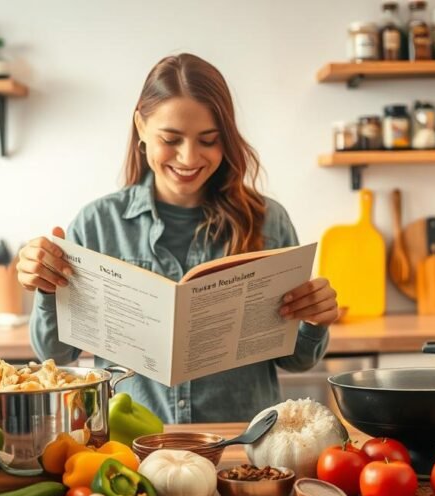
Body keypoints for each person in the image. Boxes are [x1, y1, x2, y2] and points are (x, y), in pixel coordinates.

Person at [19, 53, 339, 423]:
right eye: (171, 139)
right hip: (132, 448)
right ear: (141, 125)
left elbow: (297, 361)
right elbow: (55, 357)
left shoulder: (268, 221)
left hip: (241, 444)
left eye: (208, 140)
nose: (188, 157)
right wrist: (46, 288)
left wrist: (315, 320)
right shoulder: (96, 224)